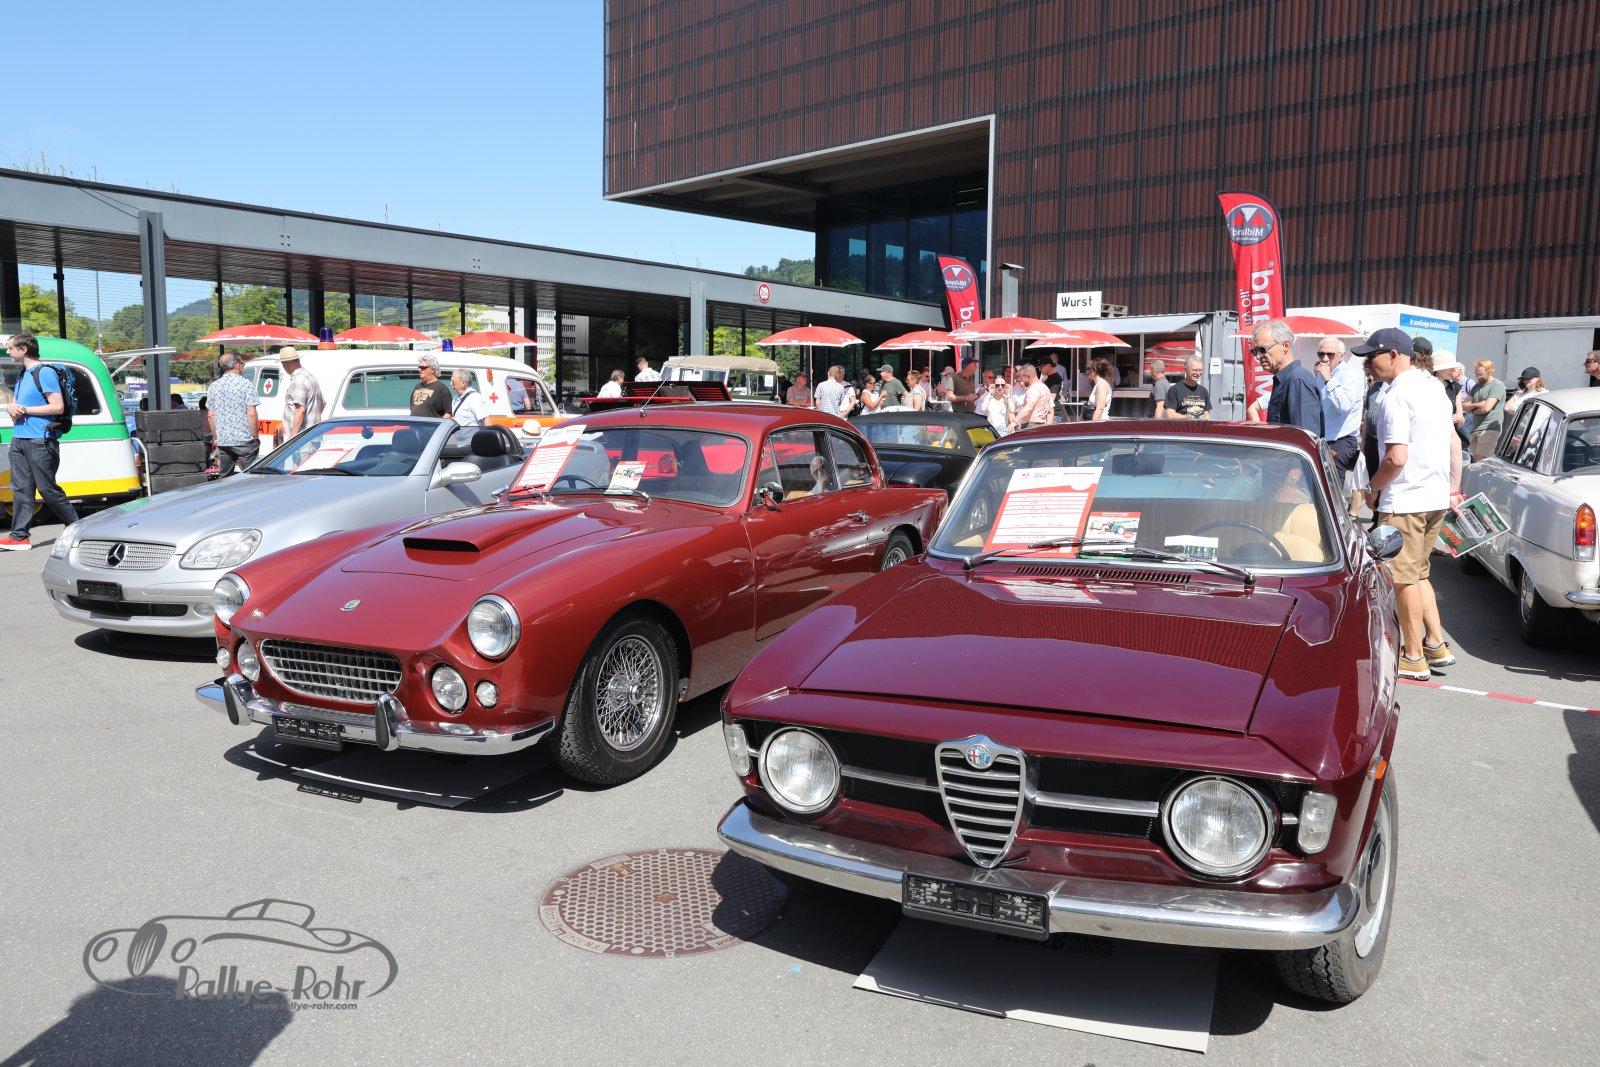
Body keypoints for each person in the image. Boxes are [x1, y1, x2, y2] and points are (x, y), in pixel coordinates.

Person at [1352, 327, 1458, 681]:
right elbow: (1452, 443)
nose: (1369, 364)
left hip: (1407, 498)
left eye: (1372, 356)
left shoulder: (1395, 395)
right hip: (1434, 495)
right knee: (1420, 573)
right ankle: (1435, 644)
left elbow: (1396, 457)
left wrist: (1372, 488)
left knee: (1402, 579)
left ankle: (1413, 655)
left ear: (1393, 355)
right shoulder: (1434, 387)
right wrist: (1452, 487)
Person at [2, 333, 80, 550]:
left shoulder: (44, 373)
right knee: (21, 489)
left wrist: (25, 409)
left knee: (47, 489)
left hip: (40, 440)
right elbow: (19, 404)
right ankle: (19, 537)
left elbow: (57, 407)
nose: (8, 351)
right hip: (19, 438)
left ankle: (78, 527)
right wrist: (12, 408)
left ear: (23, 349)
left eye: (10, 348)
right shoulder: (22, 374)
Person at [1253, 320, 1323, 435]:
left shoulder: (1297, 381)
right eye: (1255, 351)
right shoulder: (1286, 380)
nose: (1258, 356)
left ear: (1286, 346)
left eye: (1262, 349)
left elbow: (1304, 437)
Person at [206, 352, 260, 476]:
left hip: (224, 442)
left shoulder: (214, 386)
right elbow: (251, 413)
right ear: (237, 365)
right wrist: (255, 436)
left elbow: (211, 415)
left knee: (225, 477)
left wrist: (216, 438)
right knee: (251, 477)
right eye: (242, 363)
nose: (243, 366)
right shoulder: (246, 384)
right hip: (245, 441)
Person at [1316, 337, 1364, 474]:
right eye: (1321, 354)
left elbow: (1344, 406)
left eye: (1330, 354)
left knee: (1333, 485)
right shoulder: (1322, 374)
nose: (1325, 358)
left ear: (1342, 356)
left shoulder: (1350, 375)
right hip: (1324, 439)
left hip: (1340, 441)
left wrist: (1329, 380)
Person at [1462, 360, 1506, 460]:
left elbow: (1486, 408)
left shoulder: (1497, 385)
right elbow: (1463, 405)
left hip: (1489, 429)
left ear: (1490, 371)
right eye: (1476, 373)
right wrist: (1477, 404)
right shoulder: (1477, 386)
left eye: (1481, 374)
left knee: (1480, 460)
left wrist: (1471, 410)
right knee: (1477, 462)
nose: (1478, 377)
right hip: (1475, 428)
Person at [280, 347, 324, 438]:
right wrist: (312, 420)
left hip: (302, 438)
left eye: (283, 364)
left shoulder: (298, 379)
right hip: (313, 435)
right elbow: (323, 403)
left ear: (286, 363)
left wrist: (293, 437)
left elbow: (300, 410)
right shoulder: (310, 376)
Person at [1009, 363, 1054, 431]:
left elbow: (1029, 407)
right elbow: (1050, 409)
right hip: (1040, 426)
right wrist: (1048, 426)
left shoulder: (1033, 389)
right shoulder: (1044, 387)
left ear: (1028, 377)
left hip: (1030, 426)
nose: (1022, 381)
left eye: (1022, 379)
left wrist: (1014, 422)